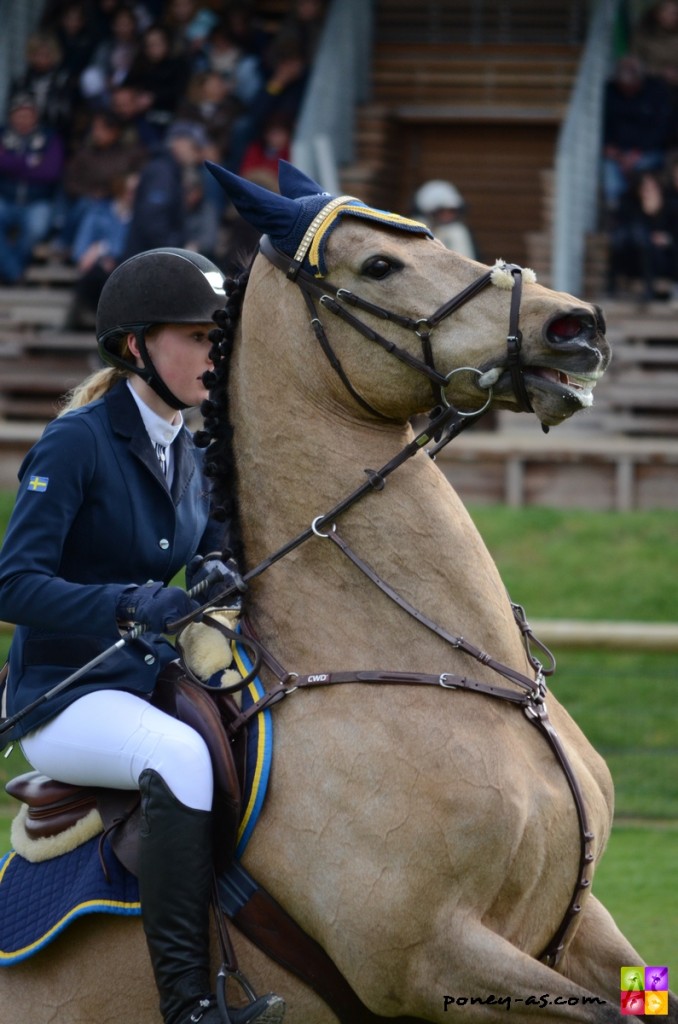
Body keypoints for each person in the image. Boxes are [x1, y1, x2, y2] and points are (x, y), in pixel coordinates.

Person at [0, 246, 286, 1024]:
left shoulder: (188, 451)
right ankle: (189, 1004)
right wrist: (131, 604)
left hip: (147, 683)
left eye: (216, 338)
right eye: (195, 336)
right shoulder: (77, 442)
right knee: (179, 756)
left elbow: (204, 552)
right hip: (65, 698)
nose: (210, 354)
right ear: (137, 347)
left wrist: (218, 569)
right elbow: (13, 583)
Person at [0, 92, 65, 283]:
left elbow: (50, 172)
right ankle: (15, 273)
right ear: (11, 116)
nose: (23, 119)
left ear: (35, 116)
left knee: (37, 228)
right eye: (18, 115)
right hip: (5, 199)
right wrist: (30, 162)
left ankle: (10, 272)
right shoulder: (3, 134)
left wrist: (11, 163)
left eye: (27, 115)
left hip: (37, 201)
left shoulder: (49, 137)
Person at [601, 54, 675, 210]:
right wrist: (615, 152)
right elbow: (604, 128)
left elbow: (662, 130)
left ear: (640, 80)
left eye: (631, 84)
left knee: (647, 169)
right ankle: (616, 210)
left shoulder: (656, 91)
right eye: (623, 84)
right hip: (619, 154)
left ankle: (645, 208)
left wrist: (636, 154)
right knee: (609, 171)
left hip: (647, 152)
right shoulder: (610, 92)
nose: (627, 88)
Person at [413, 179, 477, 258]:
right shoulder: (418, 228)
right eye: (442, 211)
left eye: (451, 211)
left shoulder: (457, 231)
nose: (448, 215)